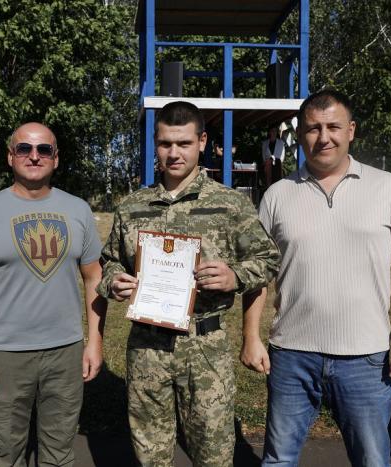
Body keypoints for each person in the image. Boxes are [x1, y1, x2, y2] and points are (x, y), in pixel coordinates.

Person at [241, 89, 391, 467]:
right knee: (278, 460)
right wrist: (250, 336)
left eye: (333, 127)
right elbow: (258, 273)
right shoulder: (277, 195)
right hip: (291, 356)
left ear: (351, 130)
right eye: (313, 128)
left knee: (371, 460)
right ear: (300, 135)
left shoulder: (386, 187)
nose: (323, 137)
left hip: (365, 359)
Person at [98, 101, 280, 466]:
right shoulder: (133, 206)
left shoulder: (229, 205)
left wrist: (234, 276)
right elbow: (110, 260)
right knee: (150, 455)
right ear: (156, 144)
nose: (174, 153)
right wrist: (113, 281)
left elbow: (268, 259)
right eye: (165, 143)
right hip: (147, 347)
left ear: (202, 141)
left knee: (213, 455)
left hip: (205, 346)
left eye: (183, 143)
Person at [0, 122, 107, 467]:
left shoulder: (78, 210)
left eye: (44, 149)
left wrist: (94, 343)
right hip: (5, 354)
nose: (34, 156)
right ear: (10, 157)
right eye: (24, 148)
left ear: (56, 158)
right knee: (7, 453)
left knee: (59, 453)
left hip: (65, 351)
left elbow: (94, 279)